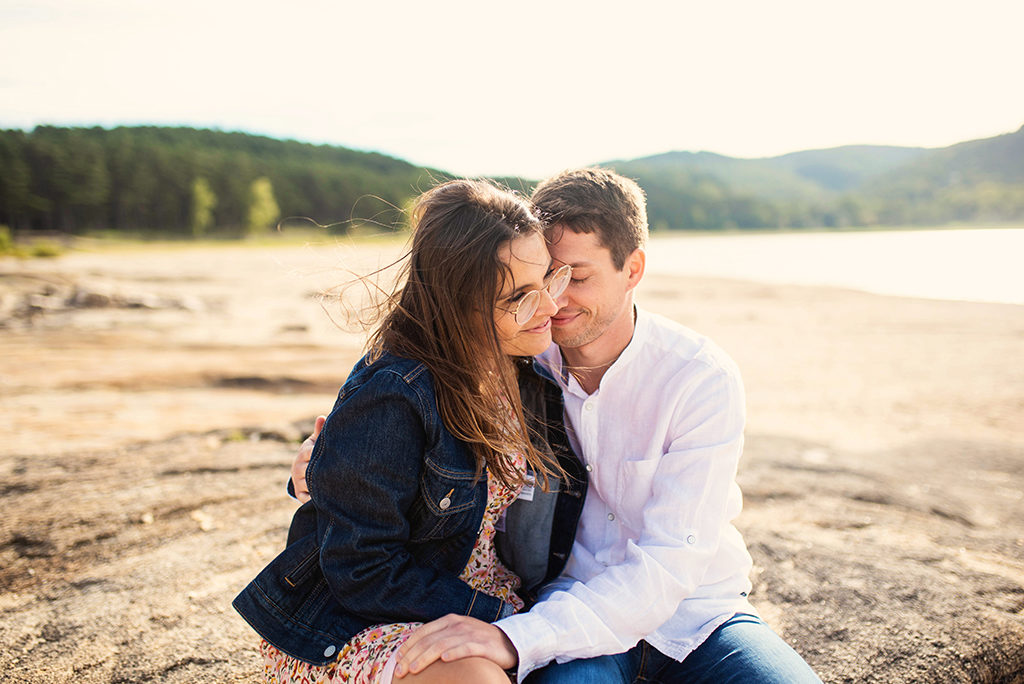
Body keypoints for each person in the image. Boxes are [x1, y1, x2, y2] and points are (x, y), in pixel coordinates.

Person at [376, 168, 822, 682]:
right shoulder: (520, 359)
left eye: (577, 278)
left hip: (696, 616)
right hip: (565, 612)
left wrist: (515, 638)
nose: (553, 301)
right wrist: (322, 461)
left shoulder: (698, 378)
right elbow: (404, 406)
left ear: (633, 269)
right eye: (545, 278)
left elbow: (672, 562)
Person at [233, 179, 588, 684]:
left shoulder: (522, 369)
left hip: (481, 605)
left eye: (550, 281)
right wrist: (502, 618)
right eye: (520, 297)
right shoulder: (397, 394)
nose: (551, 309)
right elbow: (362, 569)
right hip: (367, 623)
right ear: (458, 301)